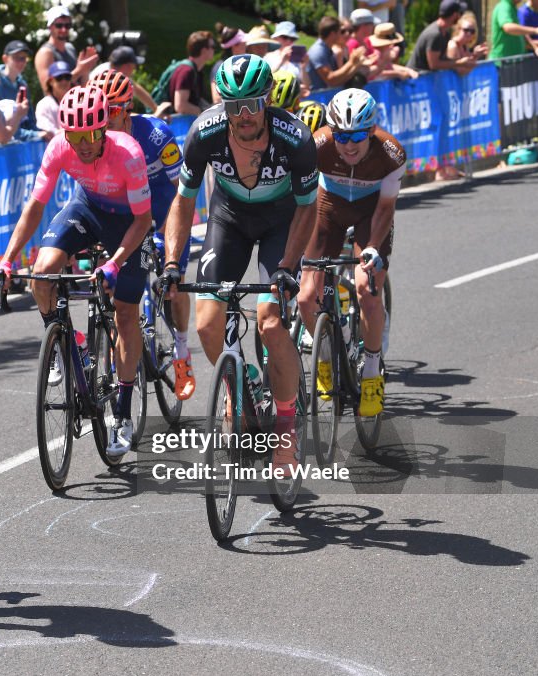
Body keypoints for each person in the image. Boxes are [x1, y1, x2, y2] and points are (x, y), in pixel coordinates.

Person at [160, 54, 319, 473]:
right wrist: (173, 263)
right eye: (234, 105)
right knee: (207, 324)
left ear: (267, 99)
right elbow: (183, 202)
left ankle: (286, 428)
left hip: (280, 222)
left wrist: (287, 266)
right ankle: (242, 383)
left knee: (269, 321)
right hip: (227, 219)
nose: (243, 115)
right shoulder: (205, 132)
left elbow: (308, 209)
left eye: (252, 104)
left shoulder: (295, 138)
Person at [0, 86, 153, 457]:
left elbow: (144, 219)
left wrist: (114, 263)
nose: (82, 145)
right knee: (42, 273)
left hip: (128, 223)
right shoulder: (59, 148)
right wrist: (7, 259)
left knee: (126, 311)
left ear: (104, 129)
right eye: (74, 136)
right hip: (87, 209)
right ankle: (67, 342)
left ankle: (123, 415)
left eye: (90, 135)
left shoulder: (128, 153)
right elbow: (34, 207)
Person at [296, 89, 404, 418]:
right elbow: (297, 195)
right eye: (342, 135)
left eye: (358, 134)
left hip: (371, 212)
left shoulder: (391, 153)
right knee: (305, 298)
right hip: (330, 207)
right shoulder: (317, 145)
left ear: (371, 131)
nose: (349, 144)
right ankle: (325, 356)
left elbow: (386, 208)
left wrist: (372, 247)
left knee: (366, 289)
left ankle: (372, 373)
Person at [93, 69, 195, 400]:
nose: (104, 121)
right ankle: (117, 358)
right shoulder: (97, 142)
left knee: (173, 286)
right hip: (129, 219)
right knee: (116, 291)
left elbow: (183, 192)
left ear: (127, 110)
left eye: (111, 113)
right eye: (100, 113)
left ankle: (181, 352)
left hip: (166, 215)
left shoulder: (156, 135)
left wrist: (169, 236)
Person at [0, 40, 51, 142]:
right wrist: (35, 134)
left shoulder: (23, 85)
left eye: (24, 58)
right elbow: (0, 126)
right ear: (5, 59)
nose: (22, 62)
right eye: (17, 58)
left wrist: (41, 133)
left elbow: (30, 120)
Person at [34, 5, 99, 87]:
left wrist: (85, 70)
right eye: (59, 25)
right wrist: (79, 70)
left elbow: (82, 84)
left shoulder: (70, 48)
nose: (64, 29)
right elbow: (48, 88)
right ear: (50, 27)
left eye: (67, 25)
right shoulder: (45, 53)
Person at [407, 1, 477, 72]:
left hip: (427, 79)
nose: (460, 17)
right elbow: (434, 65)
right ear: (455, 15)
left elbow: (443, 60)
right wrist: (459, 63)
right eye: (460, 13)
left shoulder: (446, 33)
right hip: (416, 79)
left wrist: (466, 60)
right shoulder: (434, 34)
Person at [89, 45, 162, 115]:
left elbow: (137, 89)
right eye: (133, 67)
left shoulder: (112, 69)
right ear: (127, 66)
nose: (134, 70)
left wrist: (156, 108)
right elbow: (114, 113)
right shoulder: (108, 80)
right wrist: (151, 117)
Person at [305, 16, 368, 90]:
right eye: (340, 31)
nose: (341, 35)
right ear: (332, 34)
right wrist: (351, 62)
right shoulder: (318, 51)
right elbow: (330, 79)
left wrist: (355, 64)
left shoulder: (326, 48)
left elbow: (340, 80)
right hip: (318, 98)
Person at [169, 31, 216, 115]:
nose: (214, 50)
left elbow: (197, 100)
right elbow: (180, 106)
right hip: (169, 124)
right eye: (212, 46)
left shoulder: (197, 71)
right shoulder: (186, 71)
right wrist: (205, 114)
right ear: (204, 51)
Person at [35, 61, 74, 133]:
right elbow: (49, 133)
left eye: (67, 77)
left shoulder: (76, 103)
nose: (64, 81)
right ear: (50, 81)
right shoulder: (44, 104)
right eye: (59, 78)